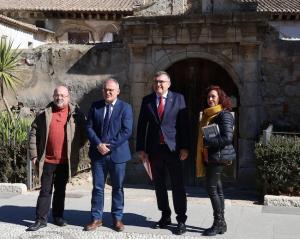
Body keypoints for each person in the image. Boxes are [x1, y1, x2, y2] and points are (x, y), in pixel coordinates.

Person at [136, 71, 189, 235]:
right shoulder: (147, 101)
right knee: (159, 186)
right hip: (154, 150)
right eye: (156, 81)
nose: (158, 84)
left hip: (173, 150)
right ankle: (165, 215)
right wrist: (141, 149)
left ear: (169, 83)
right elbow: (141, 126)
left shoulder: (178, 99)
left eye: (161, 82)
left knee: (177, 186)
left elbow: (184, 125)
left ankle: (181, 219)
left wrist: (185, 148)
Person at [27, 86, 86, 231]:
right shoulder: (44, 113)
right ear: (53, 96)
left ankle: (58, 216)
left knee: (60, 190)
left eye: (62, 95)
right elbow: (33, 132)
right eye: (56, 95)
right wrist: (34, 155)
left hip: (64, 162)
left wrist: (74, 149)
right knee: (45, 191)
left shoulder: (76, 114)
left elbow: (84, 134)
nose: (59, 98)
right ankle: (41, 219)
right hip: (47, 160)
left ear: (68, 97)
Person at [84, 78, 133, 232]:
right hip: (98, 154)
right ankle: (96, 218)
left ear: (118, 91)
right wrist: (98, 144)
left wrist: (109, 146)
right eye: (106, 89)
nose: (108, 92)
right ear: (102, 91)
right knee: (98, 187)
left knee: (118, 187)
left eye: (111, 90)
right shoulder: (95, 107)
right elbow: (89, 127)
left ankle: (117, 219)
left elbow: (127, 131)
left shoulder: (125, 108)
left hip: (118, 154)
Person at [196, 85, 235, 236]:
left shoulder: (224, 115)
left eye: (213, 96)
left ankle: (218, 223)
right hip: (210, 156)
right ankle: (222, 223)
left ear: (220, 98)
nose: (210, 99)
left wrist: (209, 142)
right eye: (208, 97)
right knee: (217, 189)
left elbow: (227, 138)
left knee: (212, 189)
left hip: (217, 157)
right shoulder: (207, 115)